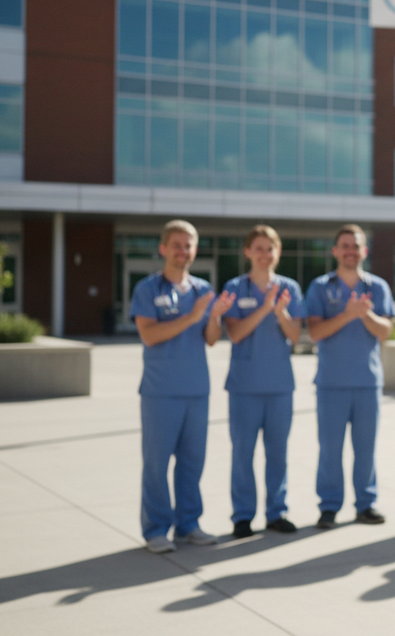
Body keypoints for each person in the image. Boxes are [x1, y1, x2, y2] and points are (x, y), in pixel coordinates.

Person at [130, 220, 235, 553]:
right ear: (163, 248)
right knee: (157, 466)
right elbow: (149, 335)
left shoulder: (203, 290)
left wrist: (214, 316)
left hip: (196, 391)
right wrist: (192, 316)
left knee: (192, 464)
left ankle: (189, 525)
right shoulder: (148, 289)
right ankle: (156, 530)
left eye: (188, 245)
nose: (183, 251)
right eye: (176, 244)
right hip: (160, 392)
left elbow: (211, 339)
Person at [306, 223, 395, 529]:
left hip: (367, 383)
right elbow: (315, 332)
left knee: (365, 450)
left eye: (355, 246)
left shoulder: (378, 287)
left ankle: (366, 505)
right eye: (344, 245)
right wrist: (347, 314)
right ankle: (329, 506)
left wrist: (364, 313)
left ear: (364, 251)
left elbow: (385, 331)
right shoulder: (320, 287)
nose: (350, 251)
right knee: (330, 451)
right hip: (331, 384)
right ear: (335, 251)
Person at [218, 225, 307, 539]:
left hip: (280, 386)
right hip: (244, 387)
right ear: (248, 252)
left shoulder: (289, 288)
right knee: (243, 454)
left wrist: (280, 312)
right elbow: (235, 333)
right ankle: (242, 516)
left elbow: (295, 336)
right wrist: (265, 307)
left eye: (270, 249)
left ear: (277, 253)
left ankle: (276, 512)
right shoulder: (235, 287)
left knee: (277, 454)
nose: (265, 255)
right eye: (259, 248)